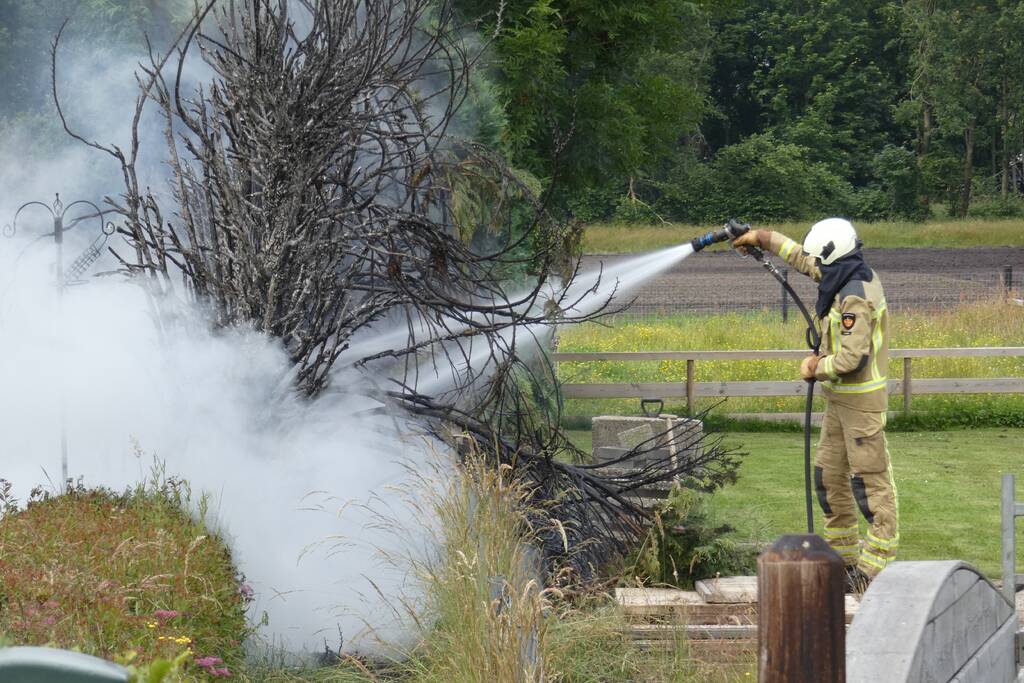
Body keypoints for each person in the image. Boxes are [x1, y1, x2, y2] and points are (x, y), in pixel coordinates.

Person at [732, 218, 898, 589]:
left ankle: (874, 570)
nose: (816, 266)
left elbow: (852, 358)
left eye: (821, 261)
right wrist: (763, 238)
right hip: (839, 402)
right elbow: (802, 259)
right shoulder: (840, 272)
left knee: (870, 486)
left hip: (861, 405)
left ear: (834, 257)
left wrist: (814, 367)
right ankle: (841, 562)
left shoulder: (856, 294)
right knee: (829, 479)